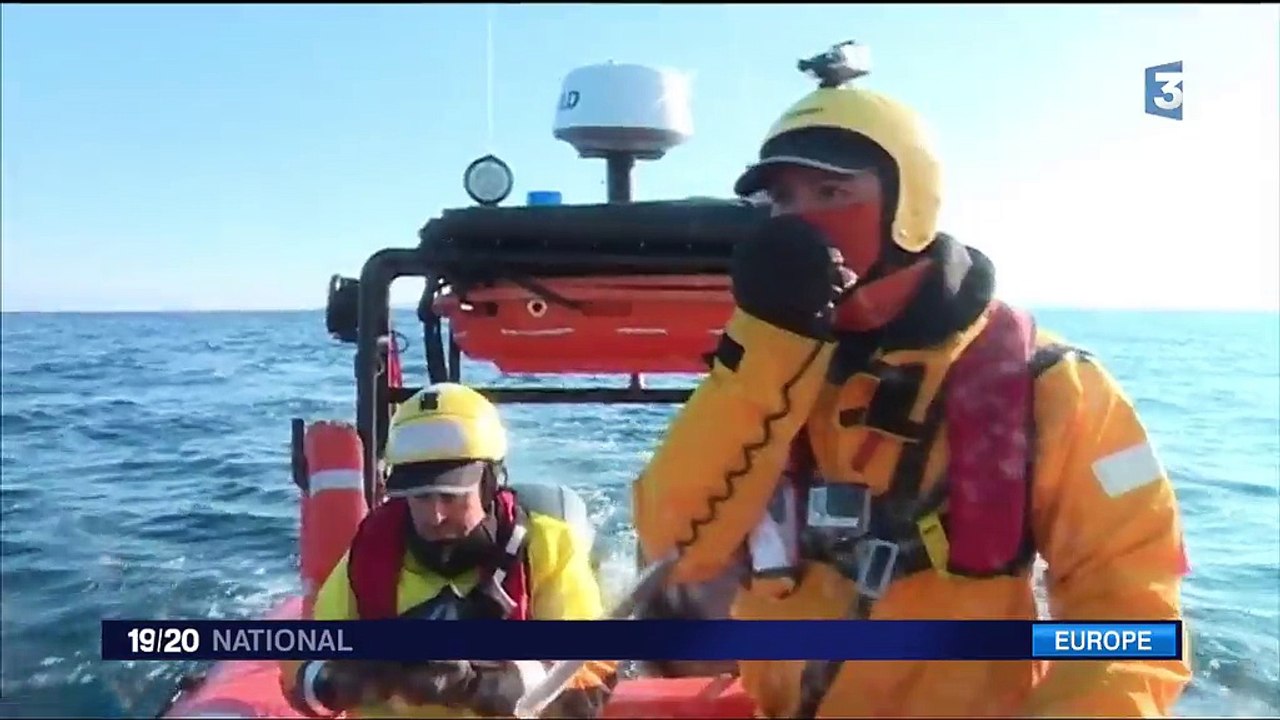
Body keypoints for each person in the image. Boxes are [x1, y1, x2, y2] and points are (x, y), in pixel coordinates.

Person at [631, 47, 1192, 717]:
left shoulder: (1053, 386)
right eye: (783, 199)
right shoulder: (767, 370)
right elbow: (677, 550)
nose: (801, 221)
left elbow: (1130, 620)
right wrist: (768, 345)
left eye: (832, 193)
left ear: (909, 205)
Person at [282, 382, 618, 718]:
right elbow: (303, 659)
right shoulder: (373, 550)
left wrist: (477, 684)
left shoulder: (547, 548)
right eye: (421, 497)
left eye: (451, 496)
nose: (435, 515)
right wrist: (338, 678)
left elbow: (588, 675)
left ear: (489, 483)